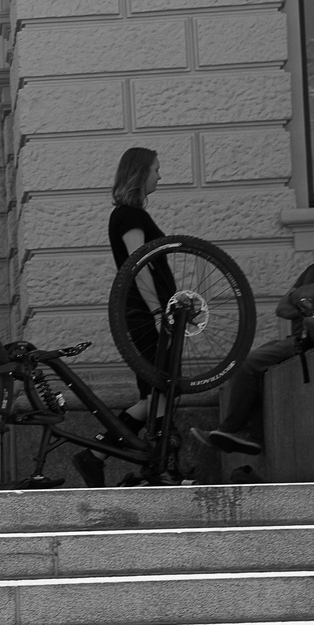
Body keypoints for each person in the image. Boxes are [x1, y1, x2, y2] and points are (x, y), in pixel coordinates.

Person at [207, 213, 314, 453]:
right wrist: (301, 298)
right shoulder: (312, 270)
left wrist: (301, 296)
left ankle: (236, 430)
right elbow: (283, 308)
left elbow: (310, 295)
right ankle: (246, 433)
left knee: (250, 363)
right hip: (300, 338)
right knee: (250, 364)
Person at [87, 147, 174, 486]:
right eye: (156, 169)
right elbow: (140, 265)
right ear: (140, 173)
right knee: (163, 388)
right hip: (143, 313)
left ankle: (98, 456)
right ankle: (160, 467)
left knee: (155, 395)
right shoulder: (129, 216)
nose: (160, 176)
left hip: (145, 313)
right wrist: (156, 309)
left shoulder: (128, 214)